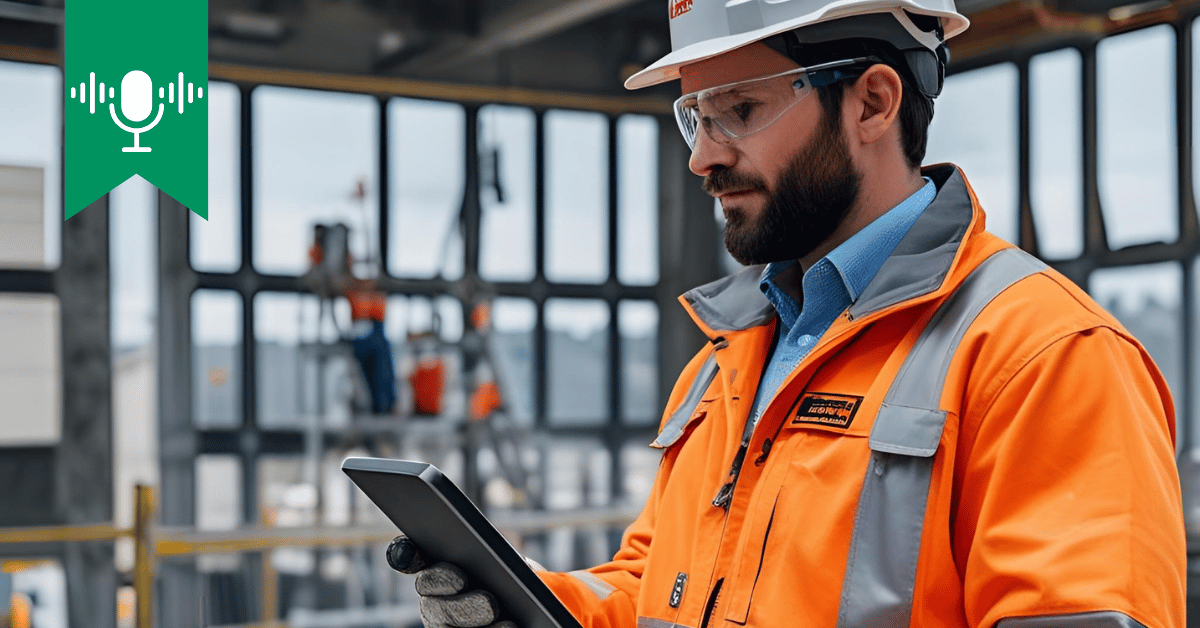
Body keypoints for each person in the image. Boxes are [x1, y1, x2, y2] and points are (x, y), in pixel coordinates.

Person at [386, 1, 1187, 627]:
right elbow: (660, 587)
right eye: (695, 115)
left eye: (739, 108)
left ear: (872, 102)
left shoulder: (1043, 356)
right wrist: (535, 605)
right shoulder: (723, 363)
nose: (703, 155)